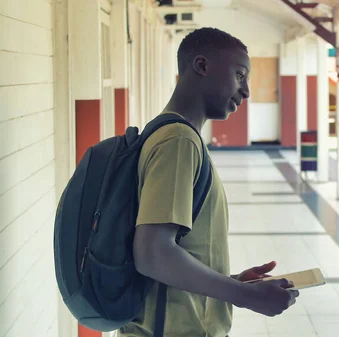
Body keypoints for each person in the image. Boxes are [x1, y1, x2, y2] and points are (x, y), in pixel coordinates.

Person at [119, 28, 299, 337]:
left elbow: (172, 255)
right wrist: (245, 296)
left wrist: (233, 282)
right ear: (201, 66)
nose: (247, 92)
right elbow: (153, 253)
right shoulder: (178, 140)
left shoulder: (169, 134)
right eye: (240, 75)